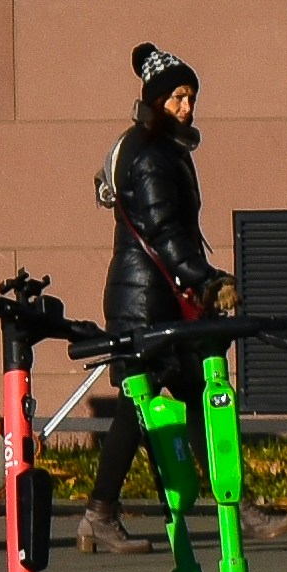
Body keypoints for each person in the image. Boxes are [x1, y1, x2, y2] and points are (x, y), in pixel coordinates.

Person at [93, 42, 219, 526]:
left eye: (191, 98)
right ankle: (99, 515)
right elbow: (164, 229)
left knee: (194, 396)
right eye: (178, 98)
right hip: (145, 302)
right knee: (140, 407)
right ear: (157, 100)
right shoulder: (150, 154)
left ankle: (236, 504)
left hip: (158, 297)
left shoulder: (166, 149)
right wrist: (204, 279)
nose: (187, 107)